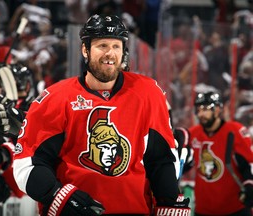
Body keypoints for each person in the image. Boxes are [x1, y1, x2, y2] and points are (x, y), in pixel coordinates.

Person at [13, 14, 190, 215]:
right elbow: (26, 163)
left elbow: (160, 160)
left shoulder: (148, 93)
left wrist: (169, 201)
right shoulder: (55, 98)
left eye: (116, 46)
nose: (110, 54)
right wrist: (56, 195)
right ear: (85, 50)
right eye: (102, 45)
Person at [186, 91, 253, 215]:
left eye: (205, 109)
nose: (201, 114)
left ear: (217, 110)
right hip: (203, 209)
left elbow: (248, 164)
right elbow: (185, 163)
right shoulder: (193, 134)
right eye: (198, 109)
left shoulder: (235, 131)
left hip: (235, 208)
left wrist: (249, 184)